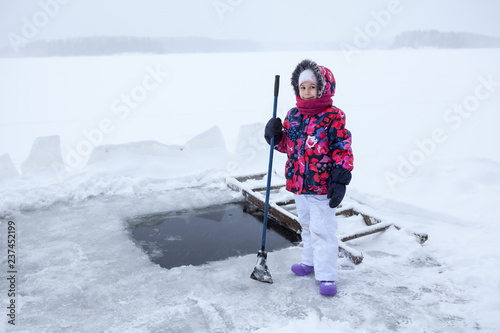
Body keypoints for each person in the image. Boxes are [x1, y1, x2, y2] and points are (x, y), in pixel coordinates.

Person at [264, 59, 353, 296]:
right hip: (299, 184)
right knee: (305, 226)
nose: (307, 92)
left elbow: (342, 148)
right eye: (303, 87)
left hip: (322, 187)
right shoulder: (293, 115)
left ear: (324, 88)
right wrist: (274, 135)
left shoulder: (333, 116)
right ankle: (309, 262)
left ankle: (327, 276)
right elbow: (287, 146)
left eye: (312, 87)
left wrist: (340, 179)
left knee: (322, 230)